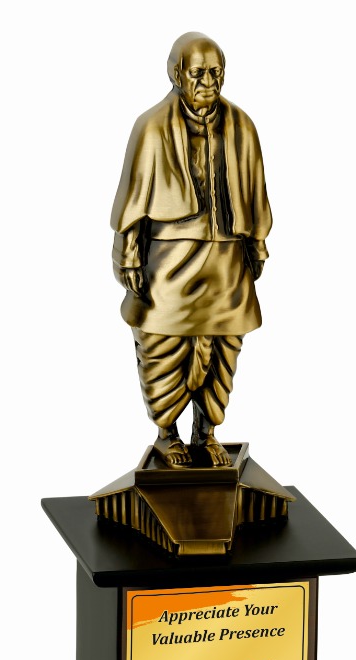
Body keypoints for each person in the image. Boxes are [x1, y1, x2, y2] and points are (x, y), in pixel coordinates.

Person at [111, 32, 272, 467]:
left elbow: (254, 191)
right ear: (177, 74)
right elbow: (133, 200)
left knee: (222, 347)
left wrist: (257, 242)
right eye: (198, 73)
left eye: (216, 72)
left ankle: (207, 433)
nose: (208, 82)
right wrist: (128, 252)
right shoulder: (151, 126)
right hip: (170, 260)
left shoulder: (241, 125)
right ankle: (168, 434)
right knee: (163, 347)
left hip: (227, 261)